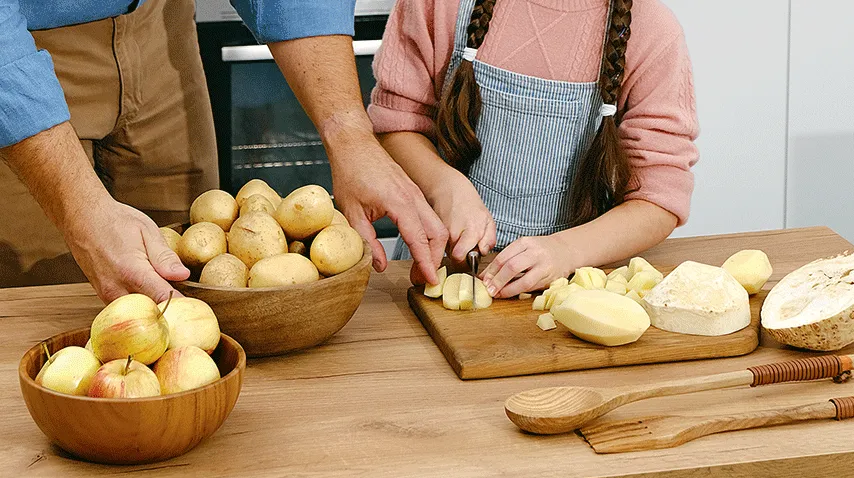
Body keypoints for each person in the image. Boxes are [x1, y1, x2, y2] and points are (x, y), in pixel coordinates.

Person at [0, 0, 447, 303]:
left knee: (194, 289)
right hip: (17, 47)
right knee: (45, 309)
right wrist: (78, 207)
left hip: (160, 26)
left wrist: (349, 132)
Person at [369, 0, 699, 298]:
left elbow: (658, 201)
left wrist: (566, 250)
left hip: (565, 295)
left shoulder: (651, 29)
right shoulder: (442, 5)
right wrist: (445, 186)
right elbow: (396, 126)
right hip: (429, 275)